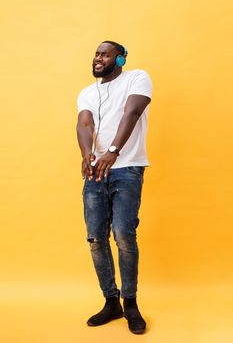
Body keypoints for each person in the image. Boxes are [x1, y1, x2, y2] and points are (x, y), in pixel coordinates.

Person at [76, 40, 152, 334]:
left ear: (120, 60)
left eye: (105, 54)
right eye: (96, 53)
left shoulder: (137, 78)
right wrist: (87, 155)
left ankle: (130, 302)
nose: (98, 58)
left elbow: (131, 113)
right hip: (95, 172)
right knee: (96, 238)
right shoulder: (87, 92)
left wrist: (113, 150)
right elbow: (84, 124)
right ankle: (112, 302)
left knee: (123, 234)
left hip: (127, 167)